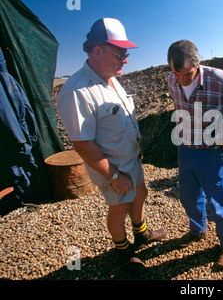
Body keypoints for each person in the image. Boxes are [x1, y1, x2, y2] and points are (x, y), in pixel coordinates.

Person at [57, 18, 167, 274]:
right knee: (119, 210)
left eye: (126, 54)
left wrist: (136, 147)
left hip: (130, 158)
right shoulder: (77, 91)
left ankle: (140, 234)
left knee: (140, 195)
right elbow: (83, 145)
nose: (126, 60)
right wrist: (114, 175)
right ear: (98, 51)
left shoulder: (110, 78)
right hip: (112, 166)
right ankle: (124, 251)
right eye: (121, 53)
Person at [167, 40, 223, 268]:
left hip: (212, 153)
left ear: (198, 63)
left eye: (188, 74)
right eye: (177, 74)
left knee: (219, 202)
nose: (182, 80)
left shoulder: (217, 78)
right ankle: (198, 230)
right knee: (188, 197)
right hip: (185, 150)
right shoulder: (171, 80)